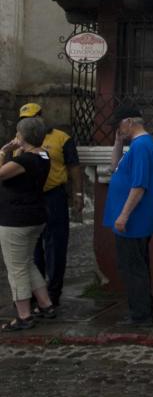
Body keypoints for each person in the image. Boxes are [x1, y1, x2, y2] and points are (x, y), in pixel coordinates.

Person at [18, 103, 82, 309]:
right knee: (32, 247)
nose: (29, 123)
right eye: (24, 120)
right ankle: (37, 293)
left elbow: (73, 167)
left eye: (33, 118)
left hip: (53, 196)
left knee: (55, 245)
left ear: (42, 117)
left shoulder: (61, 138)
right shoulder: (19, 139)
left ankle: (53, 292)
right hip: (29, 197)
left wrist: (77, 194)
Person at [104, 106, 153, 327]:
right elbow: (113, 167)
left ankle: (141, 315)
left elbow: (139, 186)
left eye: (118, 126)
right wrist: (118, 142)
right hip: (132, 220)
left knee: (132, 269)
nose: (118, 130)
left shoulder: (142, 146)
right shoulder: (135, 146)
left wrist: (124, 215)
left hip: (133, 221)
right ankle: (145, 311)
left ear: (128, 121)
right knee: (136, 266)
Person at [0, 117, 54, 331]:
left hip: (16, 219)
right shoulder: (42, 155)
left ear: (22, 136)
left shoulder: (25, 162)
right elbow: (20, 166)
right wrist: (19, 147)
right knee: (27, 262)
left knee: (16, 268)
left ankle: (24, 315)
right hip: (35, 216)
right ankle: (46, 305)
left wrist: (3, 152)